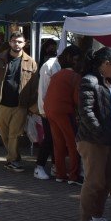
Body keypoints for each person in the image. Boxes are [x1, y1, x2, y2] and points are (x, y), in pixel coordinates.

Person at [76, 47, 111, 221]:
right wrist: (99, 132)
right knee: (94, 181)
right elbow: (86, 112)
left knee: (107, 180)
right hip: (94, 139)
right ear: (105, 63)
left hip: (110, 137)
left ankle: (97, 216)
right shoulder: (89, 81)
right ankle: (85, 220)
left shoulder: (109, 81)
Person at [0, 31, 38, 172]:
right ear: (9, 42)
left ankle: (12, 160)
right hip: (1, 104)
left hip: (20, 105)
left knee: (15, 134)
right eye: (14, 41)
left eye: (19, 41)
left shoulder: (31, 62)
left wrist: (32, 106)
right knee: (5, 134)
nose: (17, 44)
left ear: (24, 43)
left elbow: (34, 87)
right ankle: (14, 157)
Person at [44, 45, 83, 184]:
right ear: (75, 60)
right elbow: (77, 99)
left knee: (58, 143)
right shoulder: (75, 77)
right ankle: (73, 175)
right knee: (73, 144)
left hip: (50, 111)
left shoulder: (56, 75)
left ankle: (60, 174)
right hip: (64, 112)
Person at [32, 39, 60, 180]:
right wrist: (42, 110)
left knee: (56, 138)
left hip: (56, 109)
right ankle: (39, 166)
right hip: (48, 110)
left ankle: (55, 166)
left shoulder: (54, 65)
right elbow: (42, 89)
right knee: (50, 138)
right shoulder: (48, 66)